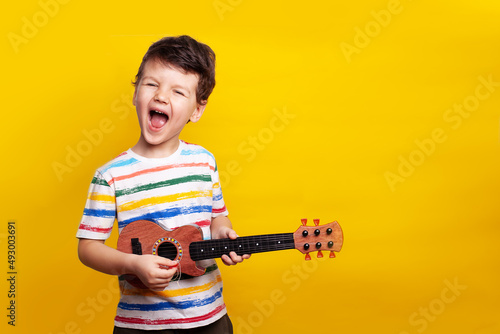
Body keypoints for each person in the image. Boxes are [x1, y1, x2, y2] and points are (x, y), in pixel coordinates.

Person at [76, 35, 249, 334]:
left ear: (197, 110)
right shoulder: (110, 175)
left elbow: (217, 216)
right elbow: (88, 247)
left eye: (178, 91)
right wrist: (133, 265)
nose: (161, 97)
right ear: (135, 93)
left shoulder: (204, 162)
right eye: (152, 84)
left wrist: (224, 233)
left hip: (209, 318)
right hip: (140, 325)